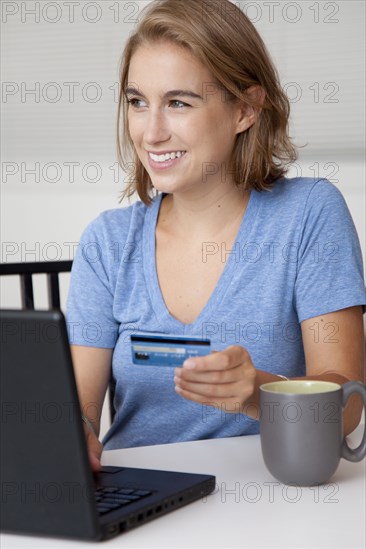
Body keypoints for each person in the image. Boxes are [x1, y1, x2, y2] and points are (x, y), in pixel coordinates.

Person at [66, 0, 366, 472]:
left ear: (246, 108)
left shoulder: (309, 215)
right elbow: (78, 417)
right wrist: (65, 437)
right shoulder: (107, 242)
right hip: (137, 499)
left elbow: (348, 405)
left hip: (266, 506)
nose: (151, 132)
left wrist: (257, 393)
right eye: (137, 102)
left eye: (179, 103)